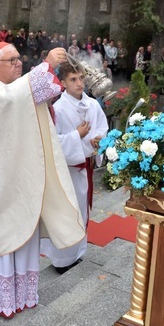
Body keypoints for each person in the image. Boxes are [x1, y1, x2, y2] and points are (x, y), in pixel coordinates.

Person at [0, 43, 85, 318]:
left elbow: (44, 91)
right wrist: (46, 63)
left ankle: (19, 294)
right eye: (11, 61)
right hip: (0, 185)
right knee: (4, 234)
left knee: (24, 231)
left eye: (19, 59)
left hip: (21, 176)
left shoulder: (14, 89)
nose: (18, 64)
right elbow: (13, 97)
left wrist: (48, 71)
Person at [43, 61, 108, 272]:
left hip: (85, 167)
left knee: (82, 212)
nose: (79, 83)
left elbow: (102, 127)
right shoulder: (58, 109)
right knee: (67, 213)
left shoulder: (93, 104)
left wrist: (99, 139)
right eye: (73, 79)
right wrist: (77, 135)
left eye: (81, 78)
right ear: (62, 83)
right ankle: (62, 260)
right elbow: (52, 142)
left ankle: (77, 253)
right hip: (68, 170)